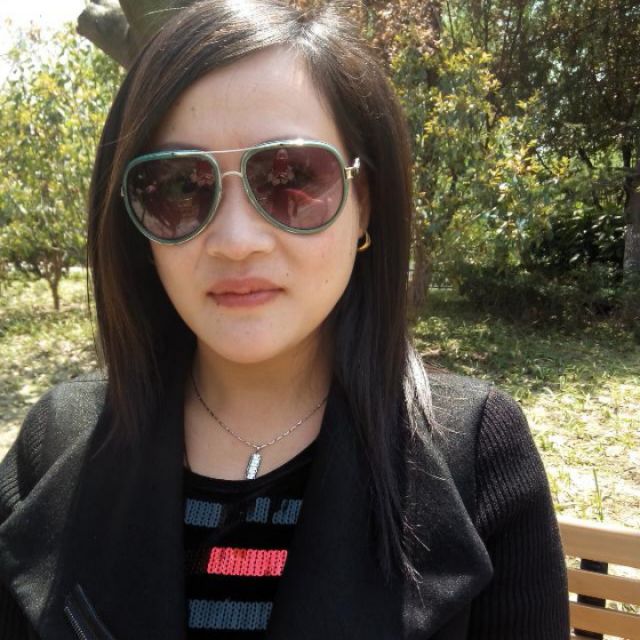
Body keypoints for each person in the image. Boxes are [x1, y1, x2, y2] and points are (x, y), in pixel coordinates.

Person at [0, 1, 570, 638]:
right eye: (180, 186)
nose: (235, 241)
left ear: (363, 203)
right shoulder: (55, 445)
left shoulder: (479, 456)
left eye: (293, 176)